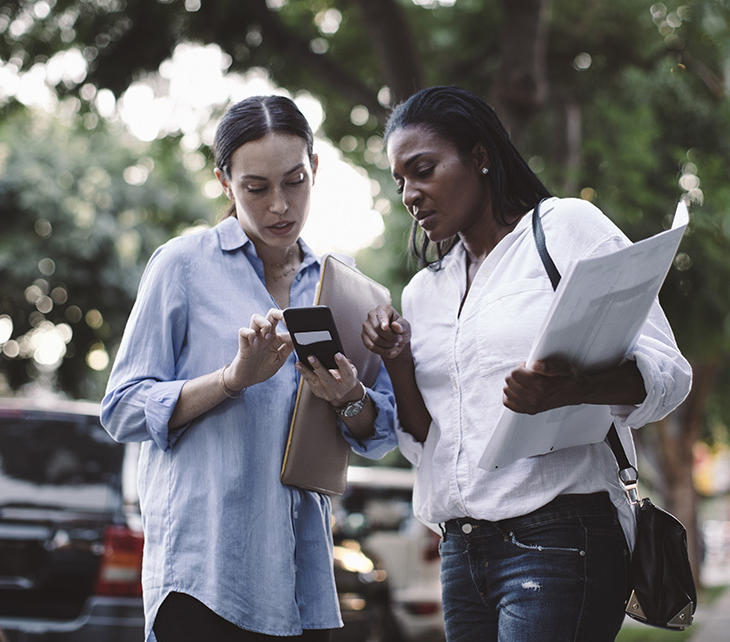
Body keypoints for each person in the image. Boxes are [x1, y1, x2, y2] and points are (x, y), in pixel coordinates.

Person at [362, 86, 693, 641]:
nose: (410, 195)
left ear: (480, 155)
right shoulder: (424, 292)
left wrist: (571, 388)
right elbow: (429, 442)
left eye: (423, 170)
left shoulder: (563, 229)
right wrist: (395, 360)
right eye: (400, 182)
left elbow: (667, 372)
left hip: (560, 534)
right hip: (461, 552)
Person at [101, 95, 398, 642]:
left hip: (301, 577)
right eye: (256, 188)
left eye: (295, 181)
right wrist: (231, 379)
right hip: (203, 576)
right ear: (224, 181)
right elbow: (121, 409)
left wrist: (347, 394)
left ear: (316, 170)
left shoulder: (342, 285)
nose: (280, 205)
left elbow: (378, 432)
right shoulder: (181, 266)